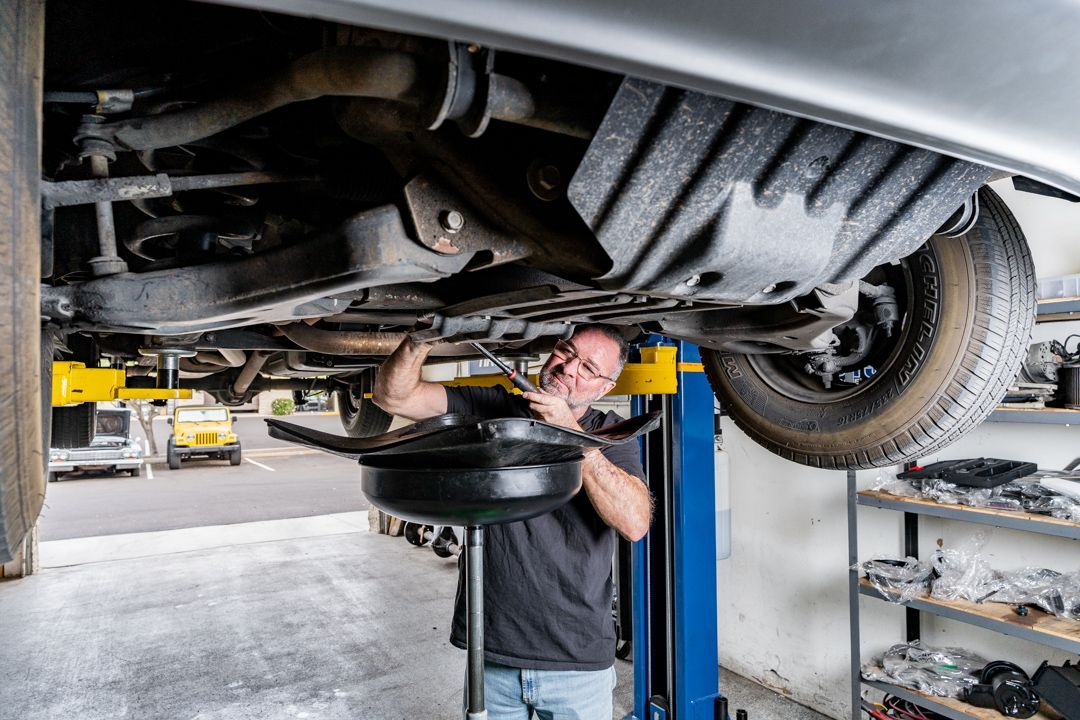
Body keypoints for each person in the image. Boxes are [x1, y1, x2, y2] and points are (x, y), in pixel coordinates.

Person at [372, 324, 652, 720]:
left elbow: (636, 522)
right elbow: (392, 396)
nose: (569, 368)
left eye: (588, 368)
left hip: (577, 660)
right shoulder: (489, 407)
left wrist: (569, 432)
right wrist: (422, 338)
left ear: (604, 387)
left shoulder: (610, 434)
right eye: (567, 352)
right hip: (492, 653)